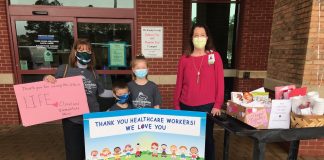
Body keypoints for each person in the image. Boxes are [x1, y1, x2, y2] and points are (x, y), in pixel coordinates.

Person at [43, 39, 113, 160]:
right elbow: (51, 86)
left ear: (91, 53)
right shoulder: (64, 69)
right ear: (74, 52)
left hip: (91, 119)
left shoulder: (93, 73)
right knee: (74, 153)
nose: (84, 52)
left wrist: (122, 93)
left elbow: (102, 93)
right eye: (81, 50)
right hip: (72, 120)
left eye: (87, 50)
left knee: (92, 153)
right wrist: (46, 78)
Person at [174, 23, 224, 160]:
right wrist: (177, 105)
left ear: (207, 38)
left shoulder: (215, 57)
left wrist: (217, 104)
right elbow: (179, 83)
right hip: (186, 105)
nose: (199, 38)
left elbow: (220, 82)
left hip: (207, 106)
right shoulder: (184, 59)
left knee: (207, 140)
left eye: (202, 35)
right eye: (196, 35)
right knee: (189, 140)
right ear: (191, 38)